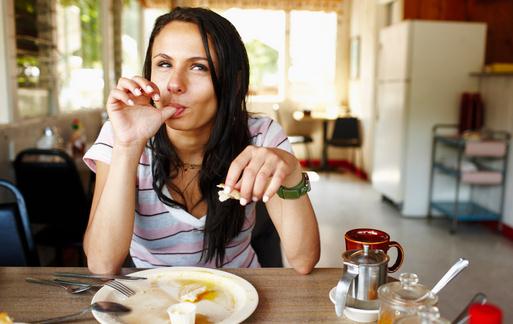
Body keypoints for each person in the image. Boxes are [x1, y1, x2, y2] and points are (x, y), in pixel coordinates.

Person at [83, 7, 320, 275]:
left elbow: (304, 261)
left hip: (243, 296)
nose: (174, 84)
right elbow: (102, 265)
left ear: (234, 81)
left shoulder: (261, 135)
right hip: (153, 302)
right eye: (164, 64)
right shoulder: (119, 133)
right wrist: (128, 146)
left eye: (198, 67)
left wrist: (290, 170)